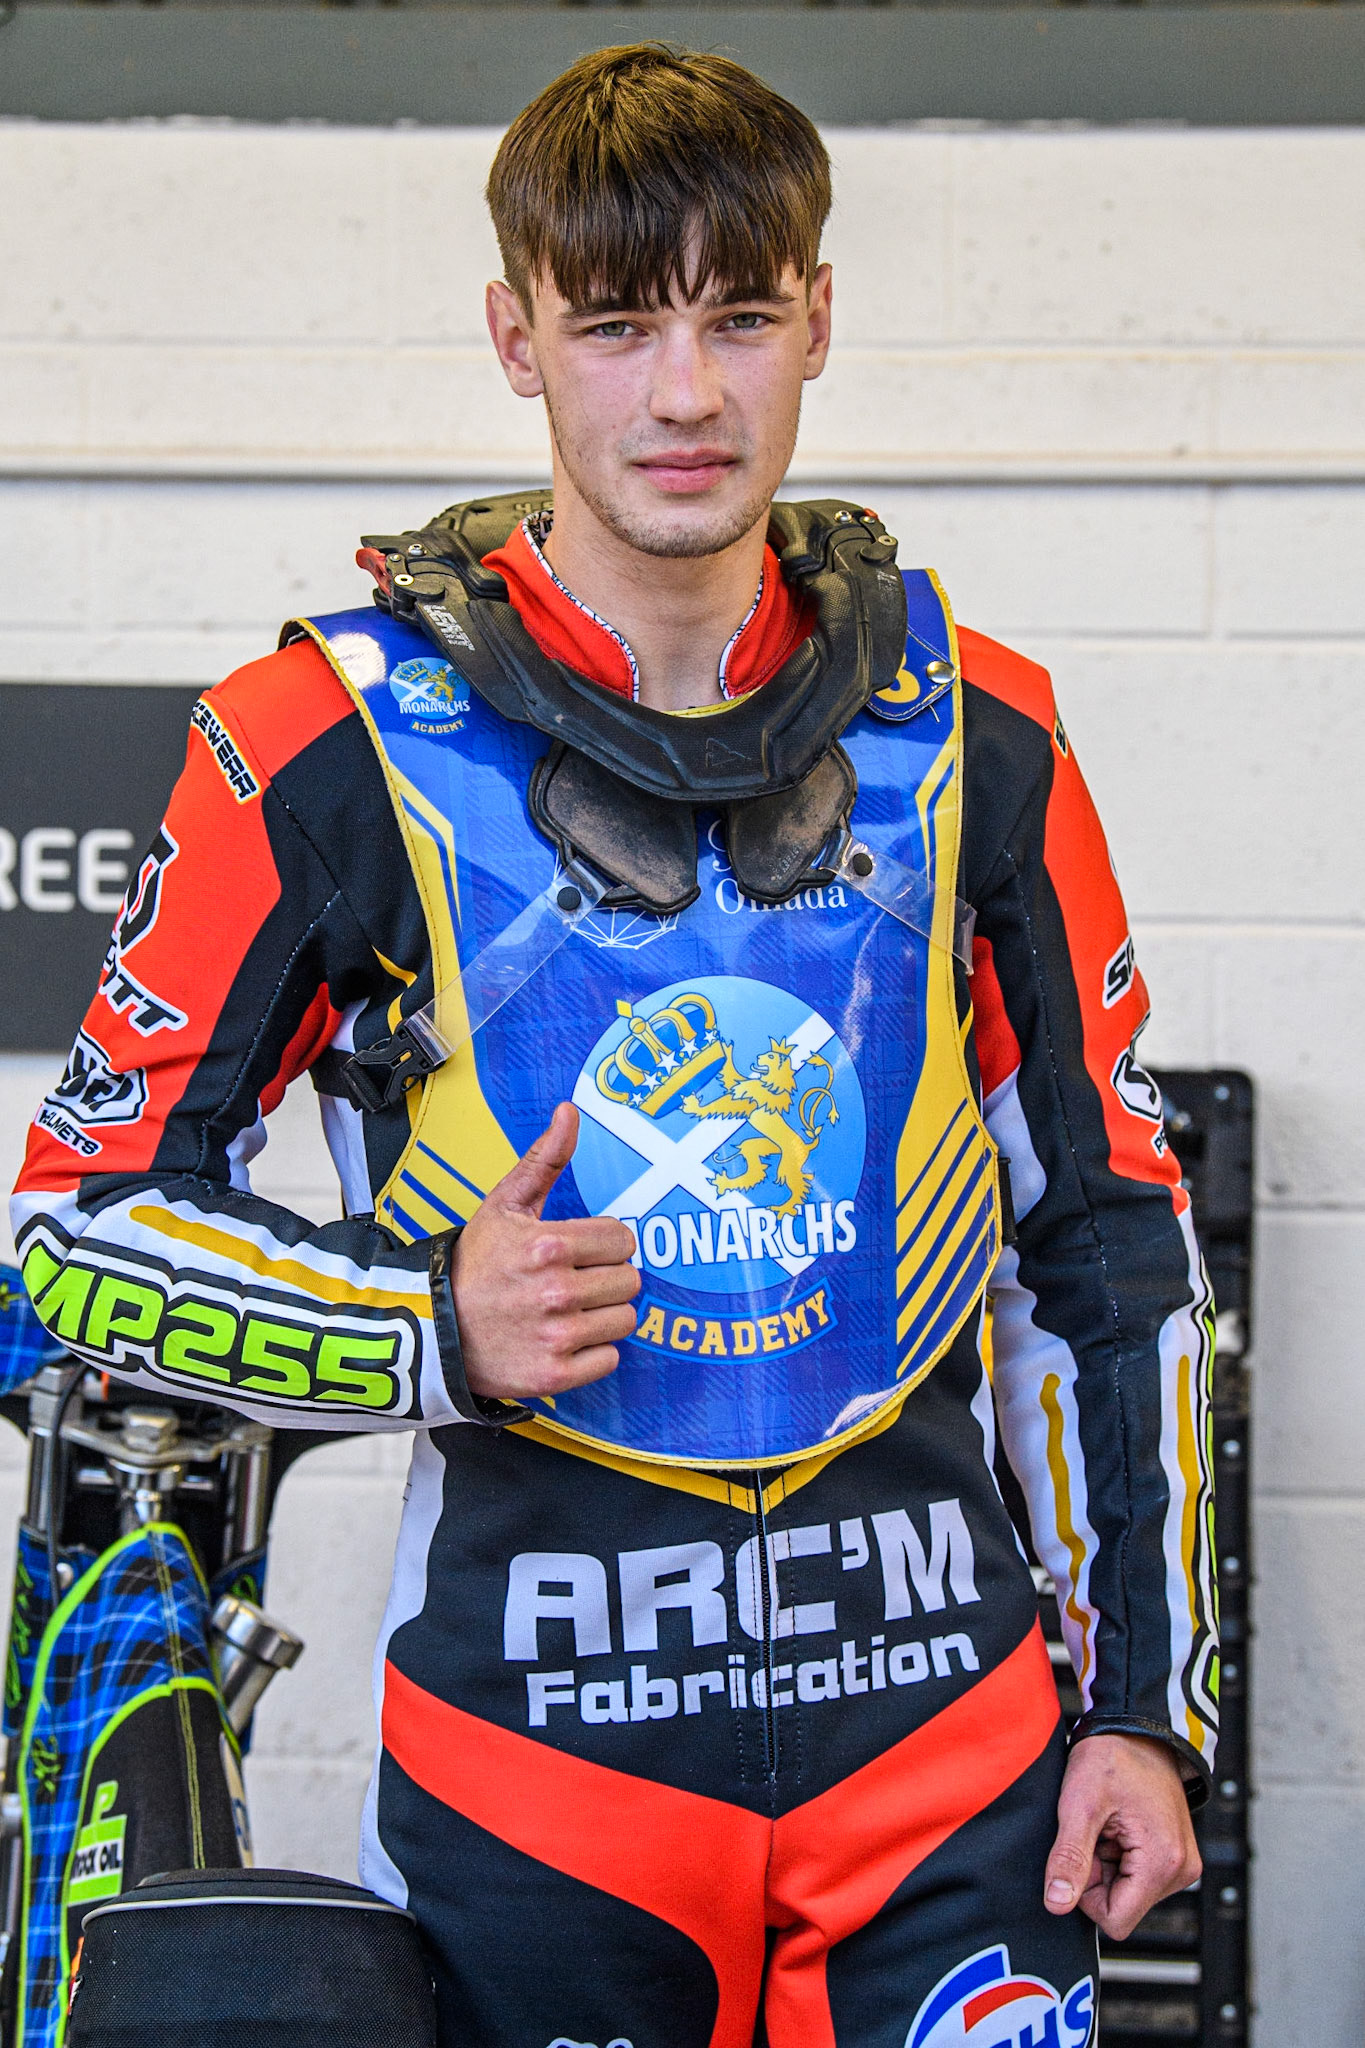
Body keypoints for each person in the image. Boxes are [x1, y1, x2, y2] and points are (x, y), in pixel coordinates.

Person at [11, 44, 1216, 2048]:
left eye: (741, 317)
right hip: (538, 1790)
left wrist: (1144, 1712)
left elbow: (1107, 1243)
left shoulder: (976, 729)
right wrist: (419, 1321)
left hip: (942, 1779)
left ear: (816, 317)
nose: (683, 392)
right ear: (515, 337)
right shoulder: (323, 739)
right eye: (618, 322)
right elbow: (70, 1234)